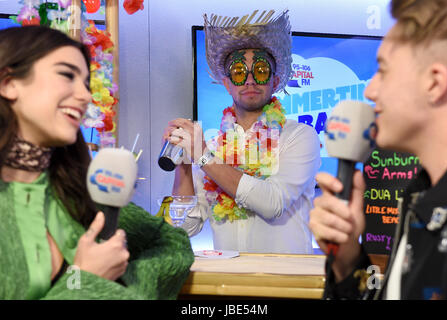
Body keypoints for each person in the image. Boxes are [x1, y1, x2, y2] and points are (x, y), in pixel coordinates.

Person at [0, 26, 194, 300]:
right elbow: (82, 281)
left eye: (86, 83)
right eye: (67, 75)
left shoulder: (77, 188)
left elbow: (173, 244)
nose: (85, 96)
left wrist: (129, 288)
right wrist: (85, 279)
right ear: (8, 83)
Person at [309, 0, 447, 300]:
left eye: (383, 70)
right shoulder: (420, 195)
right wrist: (347, 260)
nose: (370, 90)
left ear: (435, 83)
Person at [163, 10, 321, 254]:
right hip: (228, 283)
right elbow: (184, 227)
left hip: (287, 283)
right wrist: (184, 163)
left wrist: (203, 157)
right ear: (227, 83)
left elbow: (273, 202)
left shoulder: (301, 136)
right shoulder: (213, 147)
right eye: (238, 72)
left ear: (275, 81)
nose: (249, 80)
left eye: (260, 71)